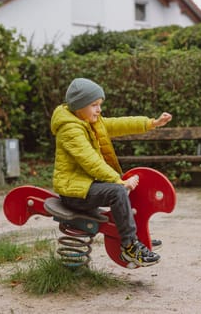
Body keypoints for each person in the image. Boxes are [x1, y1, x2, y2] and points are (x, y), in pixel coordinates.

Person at [50, 77, 172, 267]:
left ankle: (135, 236)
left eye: (99, 104)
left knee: (122, 188)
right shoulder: (69, 130)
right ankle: (130, 247)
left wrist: (151, 123)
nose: (99, 109)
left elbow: (119, 124)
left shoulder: (89, 122)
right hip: (74, 193)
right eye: (94, 105)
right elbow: (90, 161)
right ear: (79, 106)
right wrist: (118, 181)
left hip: (86, 186)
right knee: (118, 191)